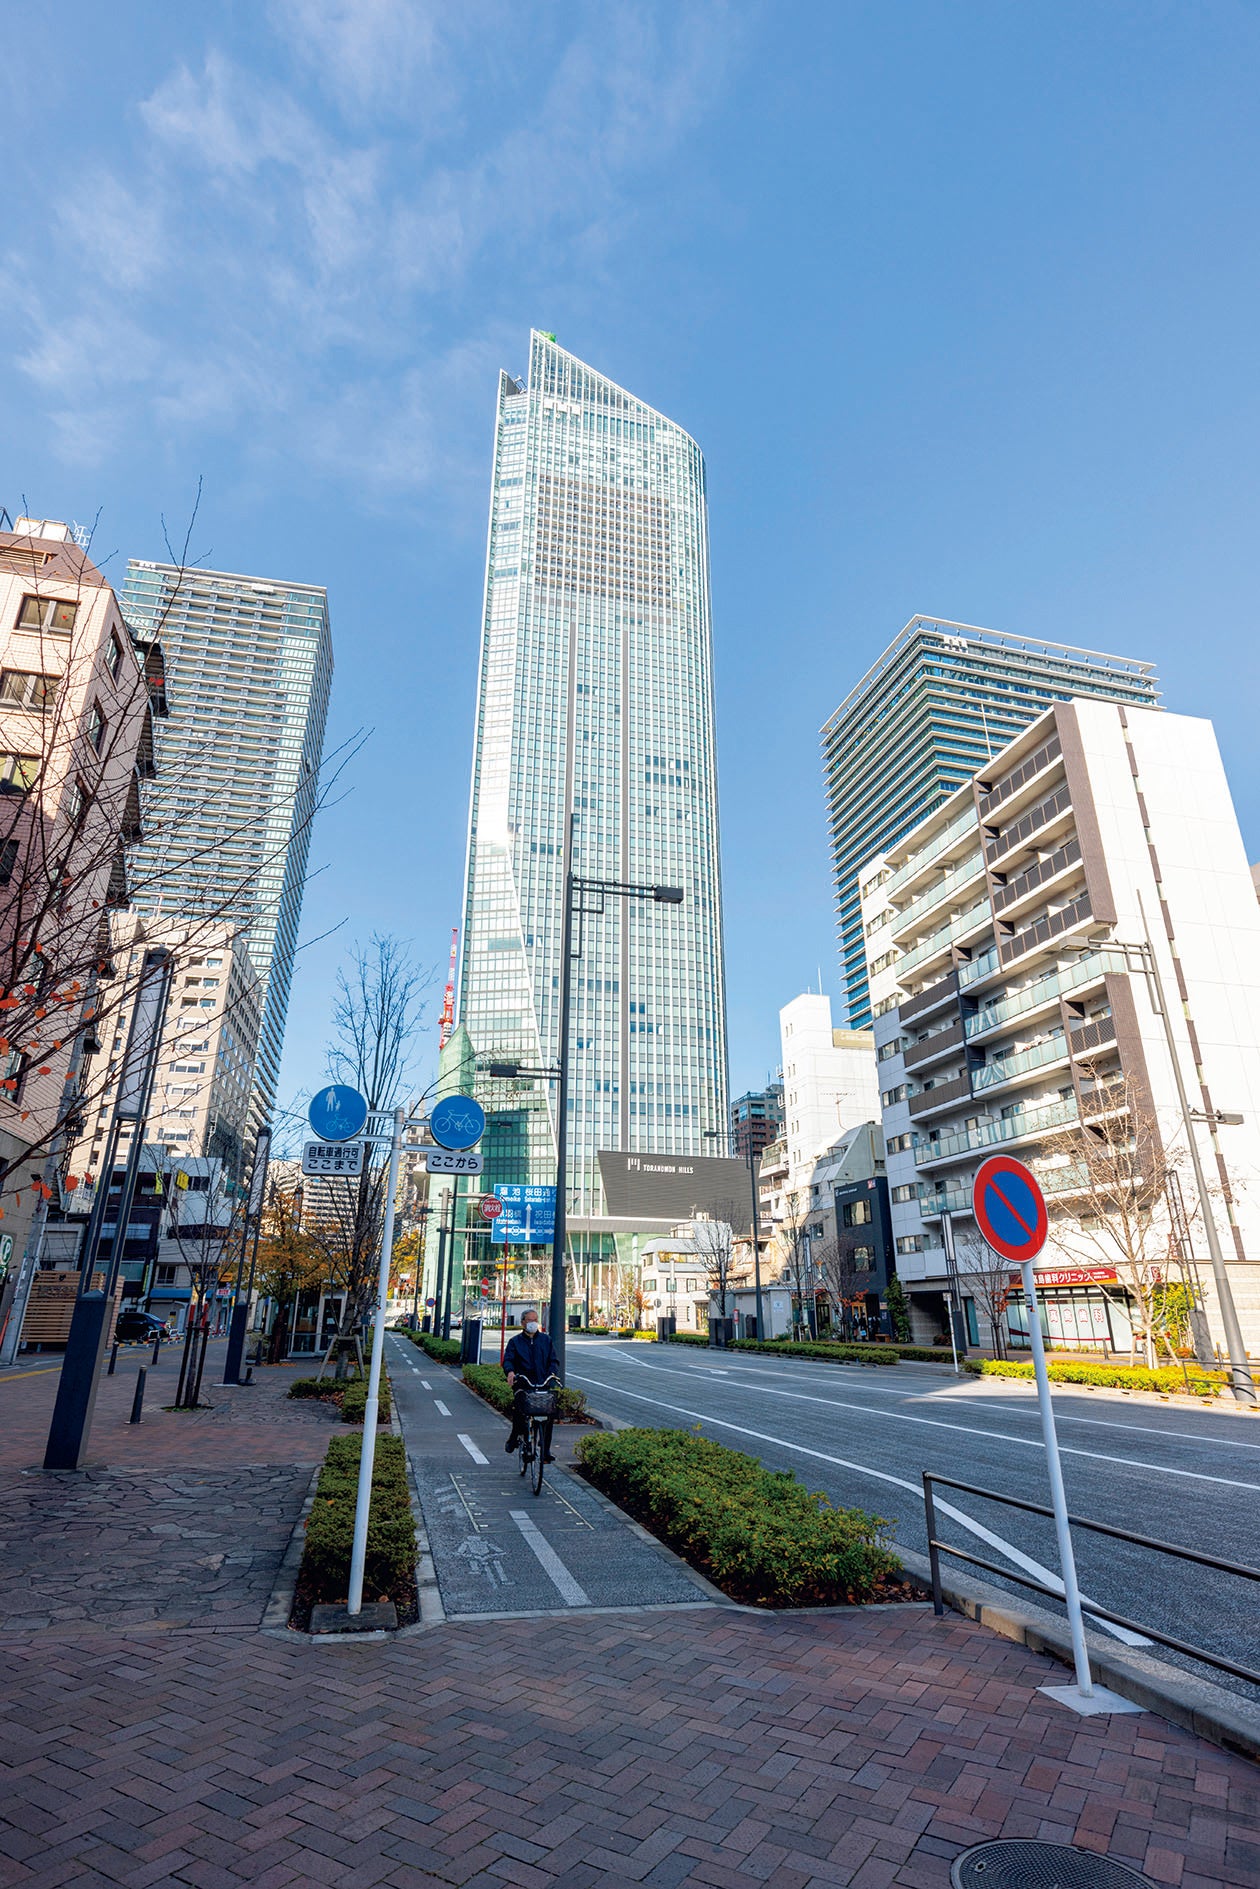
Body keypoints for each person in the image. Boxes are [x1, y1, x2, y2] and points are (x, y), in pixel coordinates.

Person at [503, 1308, 560, 1462]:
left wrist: (552, 1374)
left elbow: (553, 1360)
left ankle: (545, 1451)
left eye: (535, 1320)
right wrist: (510, 1372)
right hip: (523, 1383)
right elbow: (508, 1360)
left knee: (548, 1415)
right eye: (530, 1320)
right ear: (523, 1323)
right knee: (520, 1411)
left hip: (542, 1382)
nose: (533, 1323)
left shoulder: (546, 1340)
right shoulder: (515, 1342)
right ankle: (514, 1437)